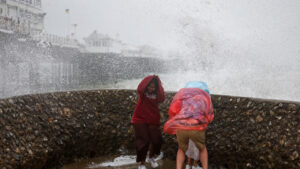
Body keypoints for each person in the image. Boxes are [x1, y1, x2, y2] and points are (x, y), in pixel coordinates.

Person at [163, 81, 214, 169]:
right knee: (202, 148)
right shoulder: (204, 99)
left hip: (181, 127)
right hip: (196, 127)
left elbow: (173, 110)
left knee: (181, 149)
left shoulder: (182, 98)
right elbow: (209, 115)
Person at [131, 75, 165, 169]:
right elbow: (140, 87)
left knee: (156, 140)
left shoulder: (157, 96)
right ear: (146, 86)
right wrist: (151, 78)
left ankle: (151, 158)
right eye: (150, 86)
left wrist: (158, 81)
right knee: (143, 141)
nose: (151, 88)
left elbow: (162, 97)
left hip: (153, 119)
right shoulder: (143, 93)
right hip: (139, 119)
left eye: (153, 87)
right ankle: (142, 164)